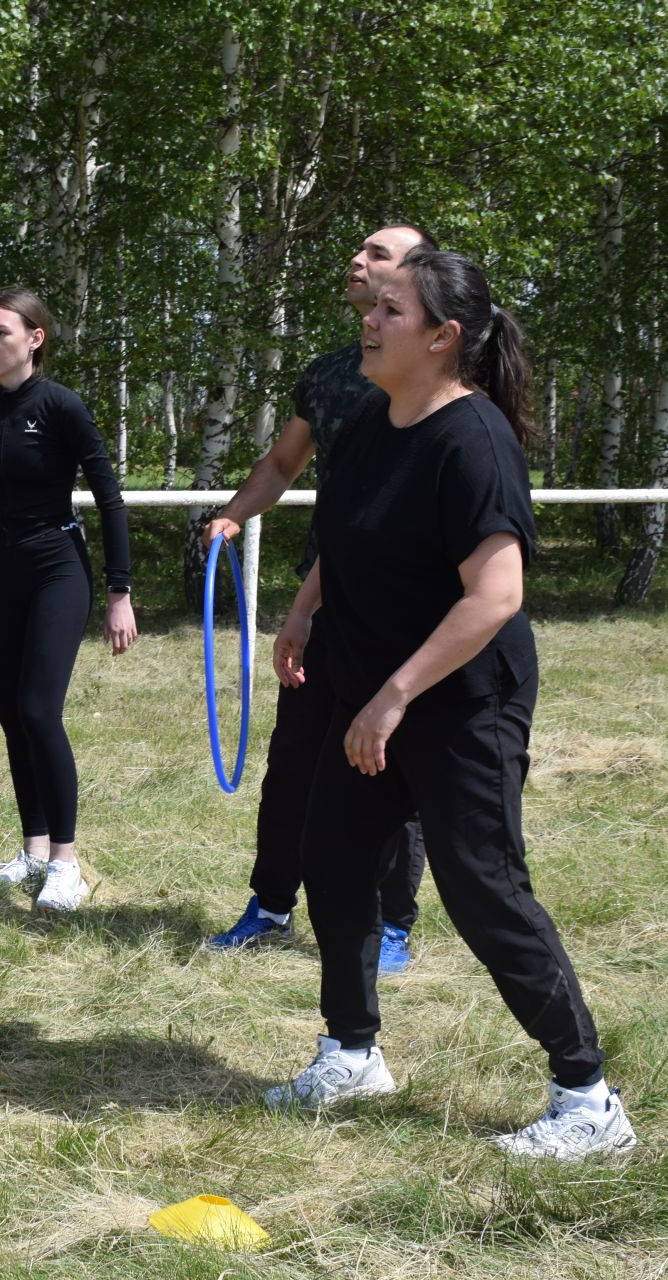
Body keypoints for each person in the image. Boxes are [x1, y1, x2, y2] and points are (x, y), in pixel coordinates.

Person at [261, 247, 636, 1162]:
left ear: (442, 337)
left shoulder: (473, 442)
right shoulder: (369, 421)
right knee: (334, 858)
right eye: (372, 306)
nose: (369, 319)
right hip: (369, 688)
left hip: (462, 701)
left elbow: (494, 595)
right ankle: (351, 1053)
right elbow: (341, 544)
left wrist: (392, 697)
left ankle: (588, 1098)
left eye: (391, 310)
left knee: (481, 885)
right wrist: (305, 612)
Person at [203, 224, 432, 970]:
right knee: (294, 762)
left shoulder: (441, 377)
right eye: (356, 251)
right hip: (325, 597)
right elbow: (282, 461)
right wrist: (235, 515)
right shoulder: (331, 375)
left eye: (376, 254)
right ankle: (270, 906)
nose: (356, 262)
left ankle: (391, 921)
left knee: (391, 765)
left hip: (406, 607)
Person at [0, 287, 137, 913]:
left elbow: (110, 497)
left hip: (57, 571)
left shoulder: (62, 406)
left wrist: (119, 591)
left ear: (34, 339)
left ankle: (67, 863)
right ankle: (35, 851)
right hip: (1, 570)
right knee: (14, 715)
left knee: (40, 709)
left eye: (0, 334)